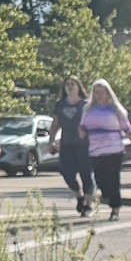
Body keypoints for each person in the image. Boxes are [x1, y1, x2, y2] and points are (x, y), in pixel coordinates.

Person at [81, 80, 131, 221]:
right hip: (95, 150)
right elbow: (82, 126)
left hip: (114, 150)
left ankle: (115, 210)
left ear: (108, 93)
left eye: (102, 92)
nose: (99, 95)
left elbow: (127, 129)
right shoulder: (88, 109)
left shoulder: (115, 109)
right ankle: (108, 198)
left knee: (113, 180)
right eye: (96, 92)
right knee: (100, 180)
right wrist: (81, 132)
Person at [52, 77, 94, 218]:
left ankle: (88, 205)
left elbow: (93, 123)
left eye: (73, 84)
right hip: (66, 144)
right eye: (67, 85)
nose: (70, 87)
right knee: (66, 173)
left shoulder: (86, 104)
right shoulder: (60, 105)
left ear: (78, 87)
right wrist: (51, 140)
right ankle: (79, 196)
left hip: (84, 144)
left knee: (86, 174)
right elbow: (55, 124)